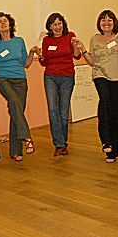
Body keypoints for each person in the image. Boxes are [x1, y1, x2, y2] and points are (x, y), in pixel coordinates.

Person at [74, 10, 118, 163]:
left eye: (109, 20)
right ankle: (106, 140)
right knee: (105, 100)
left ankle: (113, 151)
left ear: (114, 22)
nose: (106, 23)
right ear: (99, 23)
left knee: (117, 114)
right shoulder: (95, 39)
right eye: (103, 20)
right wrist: (83, 49)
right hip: (100, 74)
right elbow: (93, 62)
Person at [0, 12, 39, 161]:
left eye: (5, 21)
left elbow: (26, 63)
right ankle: (27, 137)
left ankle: (15, 151)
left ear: (10, 24)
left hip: (20, 80)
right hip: (3, 79)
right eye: (0, 22)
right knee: (15, 103)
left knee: (16, 111)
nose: (3, 23)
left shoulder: (19, 41)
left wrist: (31, 53)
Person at [37, 13, 82, 157]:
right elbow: (44, 62)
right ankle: (59, 144)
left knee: (63, 112)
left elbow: (77, 56)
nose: (57, 27)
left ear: (63, 23)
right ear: (49, 27)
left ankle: (63, 143)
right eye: (54, 24)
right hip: (50, 76)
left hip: (67, 76)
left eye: (59, 23)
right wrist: (41, 56)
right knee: (52, 109)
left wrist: (76, 46)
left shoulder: (70, 36)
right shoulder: (46, 40)